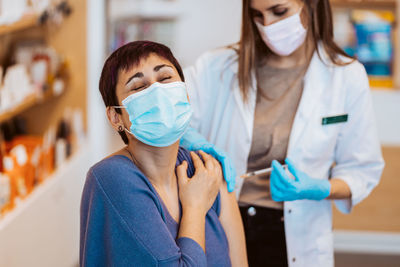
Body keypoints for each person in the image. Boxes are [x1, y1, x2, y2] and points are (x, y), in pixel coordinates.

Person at [180, 0, 385, 266]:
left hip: (294, 233)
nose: (268, 26)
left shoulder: (345, 77)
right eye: (257, 15)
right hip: (225, 222)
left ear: (311, 5)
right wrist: (188, 137)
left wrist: (320, 188)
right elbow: (175, 116)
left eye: (279, 12)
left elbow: (362, 170)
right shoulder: (216, 67)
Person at [80, 41, 248, 267]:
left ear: (186, 94)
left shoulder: (205, 170)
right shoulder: (112, 177)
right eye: (138, 87)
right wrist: (195, 207)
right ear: (115, 117)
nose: (157, 91)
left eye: (166, 78)